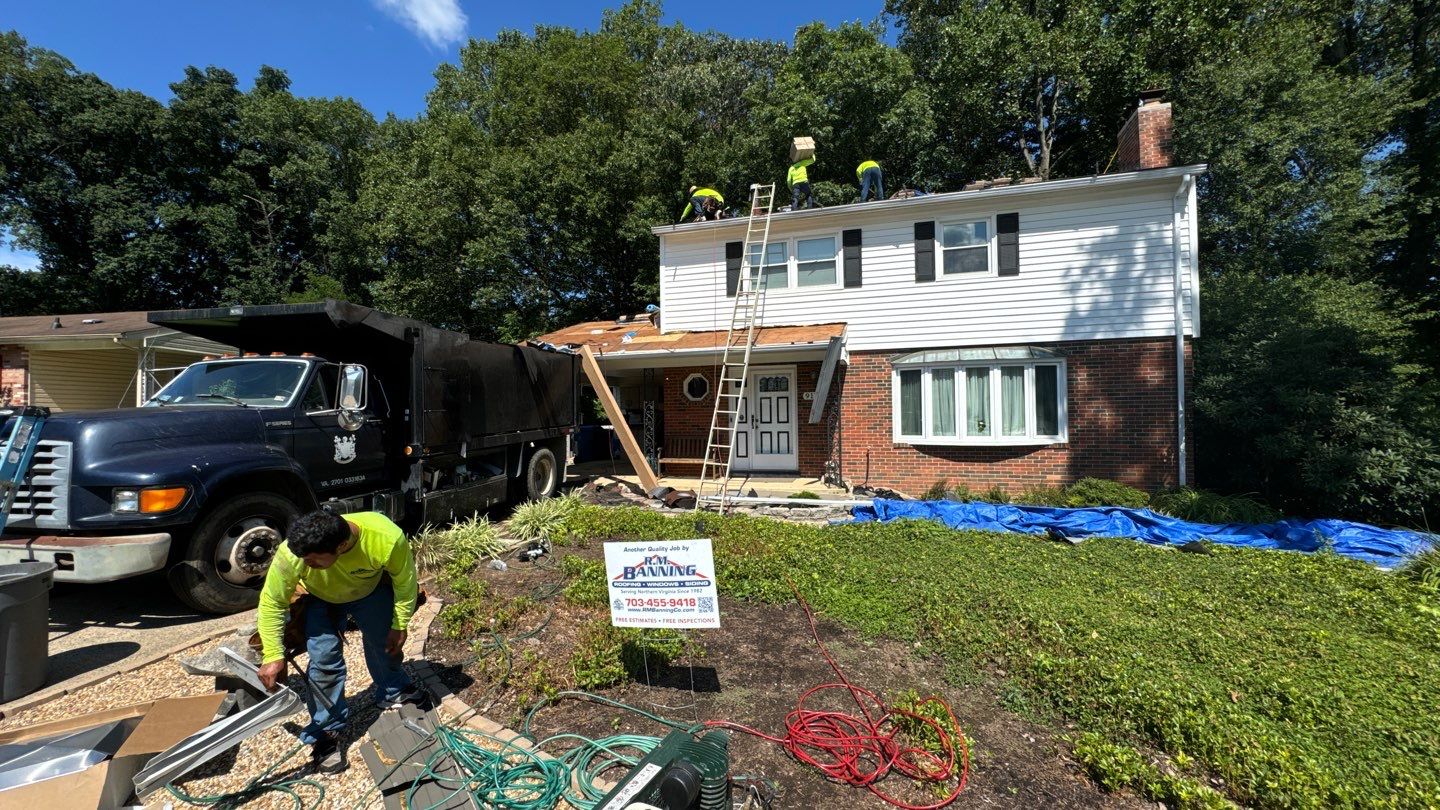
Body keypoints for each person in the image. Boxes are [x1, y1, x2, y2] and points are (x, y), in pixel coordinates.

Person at [256, 508, 422, 772]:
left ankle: (393, 689)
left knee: (386, 643)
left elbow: (405, 583)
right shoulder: (293, 552)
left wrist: (399, 624)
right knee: (324, 662)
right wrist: (273, 654)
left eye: (312, 561)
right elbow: (272, 603)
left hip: (369, 591)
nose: (305, 563)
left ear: (342, 546)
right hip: (320, 597)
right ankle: (326, 731)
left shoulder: (386, 538)